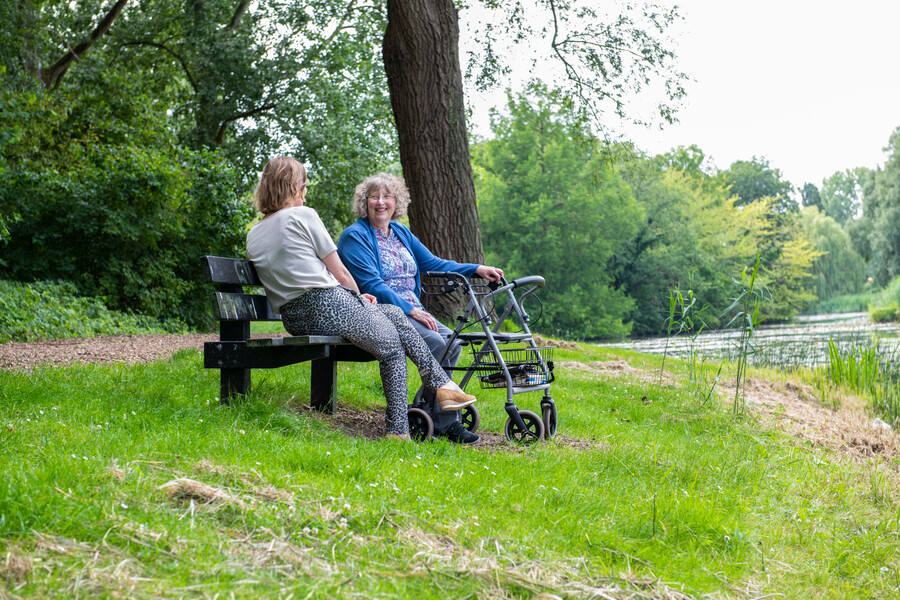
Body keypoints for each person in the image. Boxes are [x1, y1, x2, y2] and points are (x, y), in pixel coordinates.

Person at [245, 157, 477, 441]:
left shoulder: (253, 234)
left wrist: (357, 300)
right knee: (391, 346)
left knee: (392, 313)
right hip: (327, 304)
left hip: (295, 317)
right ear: (292, 187)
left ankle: (442, 385)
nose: (305, 194)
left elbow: (294, 273)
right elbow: (340, 273)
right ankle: (399, 431)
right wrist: (355, 297)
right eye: (303, 186)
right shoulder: (303, 215)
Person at [336, 173, 503, 445]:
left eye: (387, 196)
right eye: (374, 197)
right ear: (364, 202)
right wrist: (410, 310)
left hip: (412, 309)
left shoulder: (400, 232)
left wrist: (475, 269)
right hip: (381, 312)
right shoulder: (355, 237)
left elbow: (433, 263)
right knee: (438, 344)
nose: (381, 202)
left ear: (397, 201)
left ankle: (431, 414)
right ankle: (445, 423)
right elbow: (371, 283)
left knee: (452, 342)